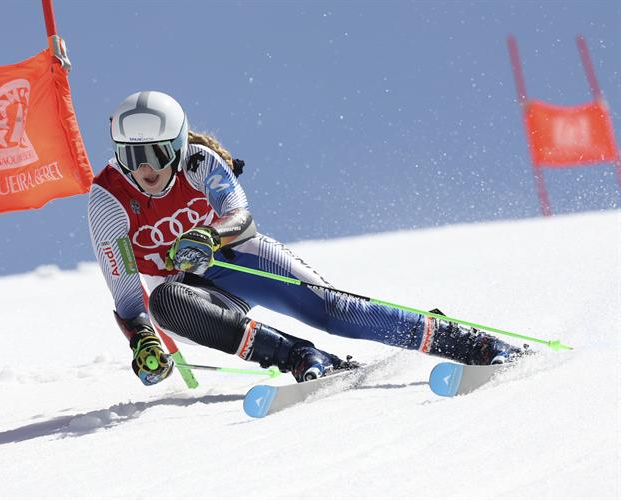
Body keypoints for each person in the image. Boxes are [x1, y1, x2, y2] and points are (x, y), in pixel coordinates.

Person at [88, 91, 524, 386]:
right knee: (163, 302)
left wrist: (209, 233)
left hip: (237, 258)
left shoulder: (199, 162)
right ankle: (298, 356)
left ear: (179, 145)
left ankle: (464, 341)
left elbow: (242, 219)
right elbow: (128, 299)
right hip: (196, 299)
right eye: (131, 155)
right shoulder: (109, 200)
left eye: (157, 152)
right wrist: (142, 341)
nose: (145, 168)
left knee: (333, 310)